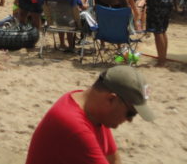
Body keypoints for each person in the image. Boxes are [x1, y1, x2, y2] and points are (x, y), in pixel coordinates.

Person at [25, 65, 153, 164]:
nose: (129, 120)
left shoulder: (92, 109)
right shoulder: (74, 125)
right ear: (111, 99)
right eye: (130, 113)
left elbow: (113, 159)